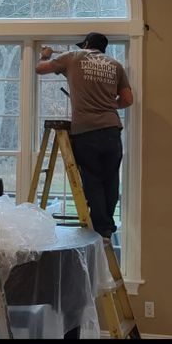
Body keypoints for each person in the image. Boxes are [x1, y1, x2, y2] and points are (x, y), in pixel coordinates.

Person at [35, 33, 133, 240]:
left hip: (86, 131)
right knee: (111, 180)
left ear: (87, 44)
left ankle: (101, 229)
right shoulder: (115, 65)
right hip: (111, 130)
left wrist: (44, 55)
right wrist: (106, 105)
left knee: (92, 179)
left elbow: (40, 69)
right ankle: (107, 224)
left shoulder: (74, 57)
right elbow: (127, 99)